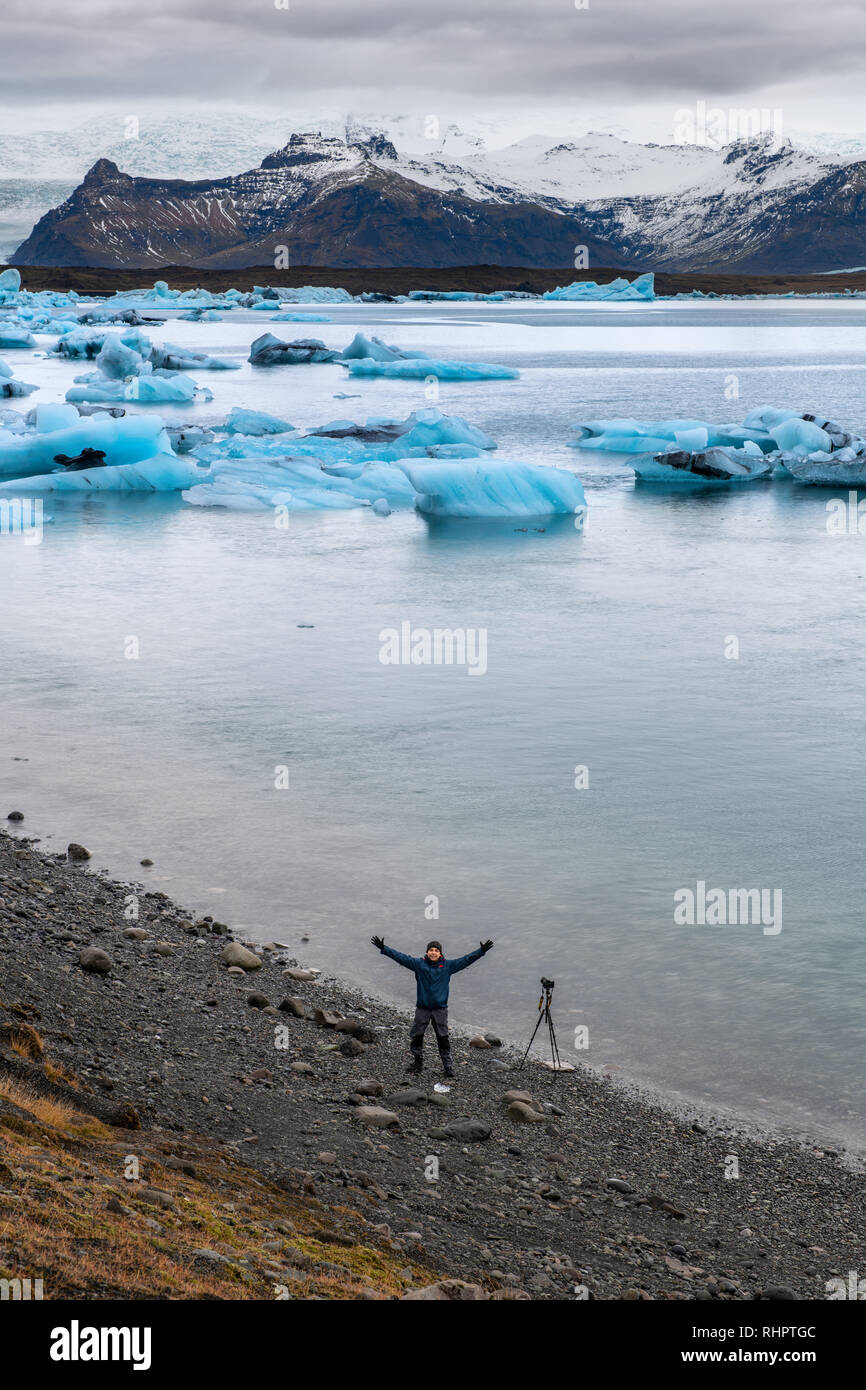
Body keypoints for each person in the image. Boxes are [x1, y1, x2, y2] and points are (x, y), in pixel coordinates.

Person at [370, 935, 493, 1076]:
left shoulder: (448, 966)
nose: (433, 952)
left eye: (436, 950)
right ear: (427, 952)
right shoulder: (419, 964)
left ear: (440, 953)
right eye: (431, 950)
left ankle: (447, 1066)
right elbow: (401, 957)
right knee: (417, 1036)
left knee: (443, 1037)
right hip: (423, 1008)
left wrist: (481, 951)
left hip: (440, 1010)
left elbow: (466, 960)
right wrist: (384, 948)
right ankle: (418, 1063)